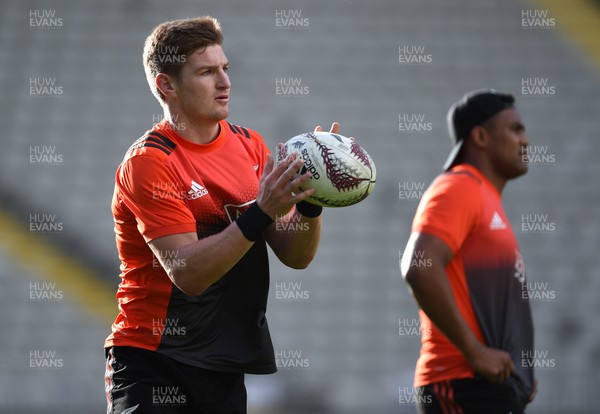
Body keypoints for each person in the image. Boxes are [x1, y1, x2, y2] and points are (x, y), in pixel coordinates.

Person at [104, 16, 336, 413]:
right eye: (207, 72)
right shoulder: (150, 162)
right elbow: (189, 274)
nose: (225, 82)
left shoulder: (249, 145)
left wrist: (313, 200)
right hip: (153, 360)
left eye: (225, 69)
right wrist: (261, 211)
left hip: (223, 365)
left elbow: (296, 255)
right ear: (167, 85)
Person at [400, 90, 537, 413]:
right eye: (515, 129)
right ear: (481, 136)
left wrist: (521, 370)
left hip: (491, 387)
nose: (526, 140)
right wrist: (475, 352)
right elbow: (418, 265)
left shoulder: (487, 198)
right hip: (464, 384)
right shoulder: (459, 187)